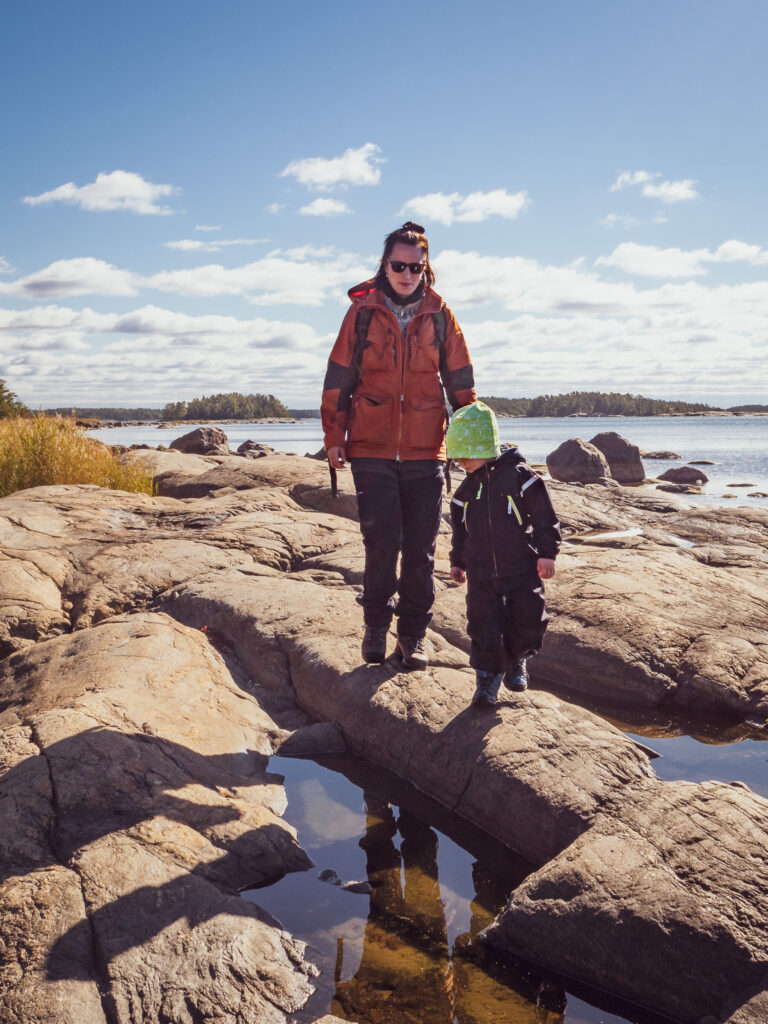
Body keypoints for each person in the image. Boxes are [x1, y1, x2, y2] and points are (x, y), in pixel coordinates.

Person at [321, 221, 476, 668]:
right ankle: (375, 625)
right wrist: (335, 437)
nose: (406, 273)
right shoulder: (362, 313)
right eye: (398, 265)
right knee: (381, 543)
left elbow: (461, 382)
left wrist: (472, 443)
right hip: (370, 447)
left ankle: (412, 635)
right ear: (385, 266)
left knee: (422, 550)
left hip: (427, 449)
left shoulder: (440, 314)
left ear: (425, 268)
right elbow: (339, 378)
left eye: (415, 266)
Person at [446, 401, 561, 707]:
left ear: (483, 446)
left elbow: (544, 517)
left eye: (464, 454)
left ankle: (518, 659)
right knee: (483, 626)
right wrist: (457, 562)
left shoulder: (521, 477)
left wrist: (547, 553)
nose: (459, 462)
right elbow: (460, 531)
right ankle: (486, 682)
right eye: (455, 456)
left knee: (529, 618)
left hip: (521, 567)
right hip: (481, 573)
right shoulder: (465, 493)